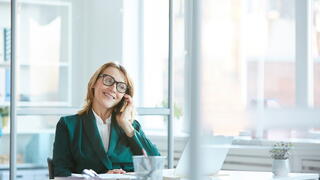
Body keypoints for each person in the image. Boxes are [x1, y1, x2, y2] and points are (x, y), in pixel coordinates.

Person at [52, 62, 160, 177]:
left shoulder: (131, 126)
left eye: (121, 87)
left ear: (125, 96)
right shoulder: (68, 125)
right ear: (94, 83)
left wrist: (126, 125)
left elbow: (155, 165)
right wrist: (102, 176)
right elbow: (61, 173)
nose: (113, 88)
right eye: (108, 81)